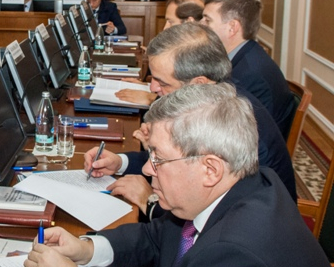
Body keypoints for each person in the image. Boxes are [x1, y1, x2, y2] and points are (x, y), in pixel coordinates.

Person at [25, 83, 334, 267]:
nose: (147, 169)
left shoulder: (242, 258)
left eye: (157, 158)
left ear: (209, 169)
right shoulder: (242, 185)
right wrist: (87, 249)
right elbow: (159, 236)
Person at [89, 22, 296, 211]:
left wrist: (149, 201)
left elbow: (210, 222)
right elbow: (175, 161)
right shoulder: (208, 102)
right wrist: (120, 162)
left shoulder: (230, 128)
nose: (152, 88)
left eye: (163, 83)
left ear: (198, 83)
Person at [202, 0, 295, 138]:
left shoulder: (248, 73)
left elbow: (231, 132)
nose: (201, 25)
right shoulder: (245, 54)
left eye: (207, 20)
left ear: (232, 27)